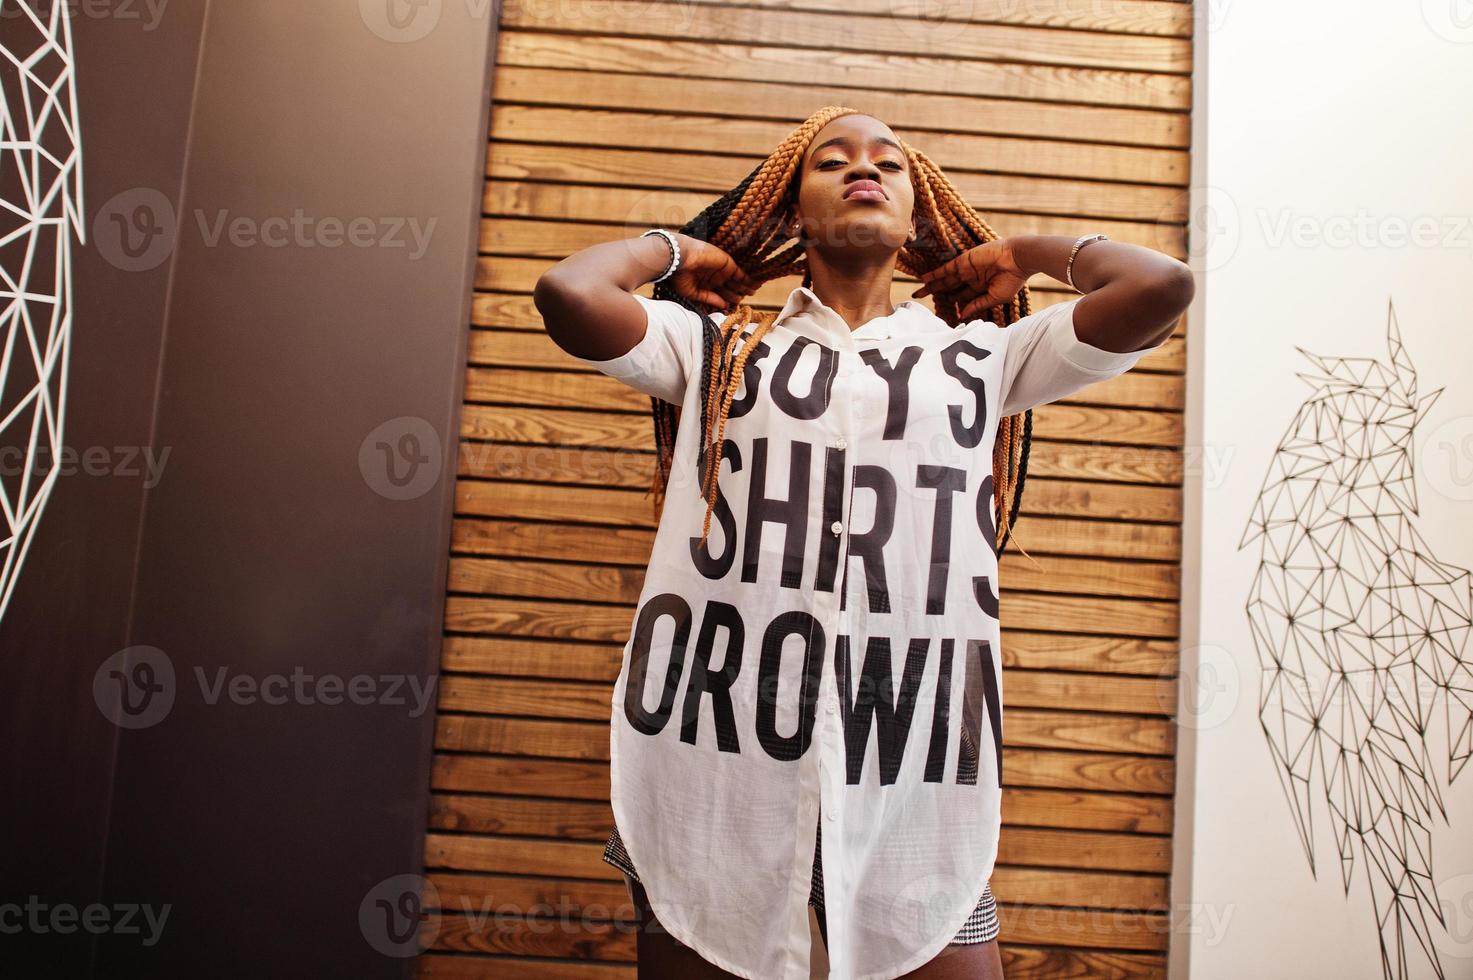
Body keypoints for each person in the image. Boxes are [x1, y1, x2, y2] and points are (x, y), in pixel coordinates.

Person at [534, 106, 1193, 980]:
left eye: (888, 163)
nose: (862, 170)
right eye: (830, 161)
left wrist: (1022, 251)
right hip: (716, 762)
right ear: (787, 210)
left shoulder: (981, 359)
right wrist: (676, 249)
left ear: (917, 217)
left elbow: (1162, 287)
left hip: (910, 769)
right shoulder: (721, 351)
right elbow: (569, 295)